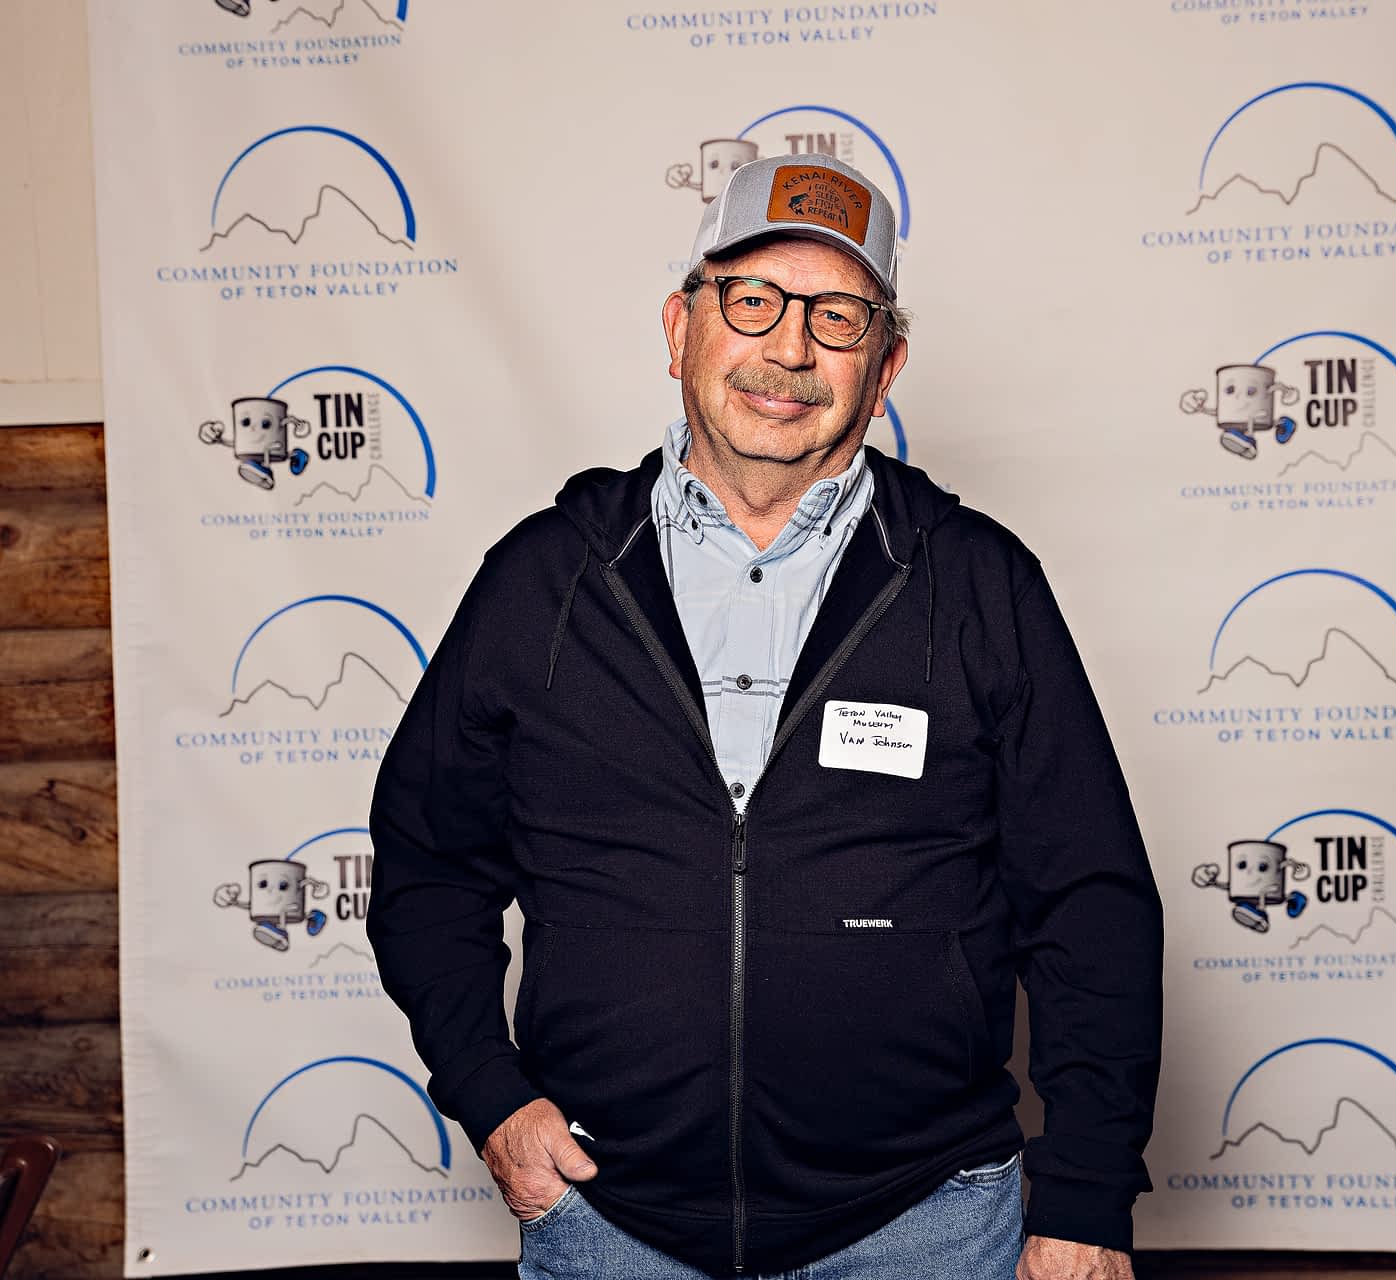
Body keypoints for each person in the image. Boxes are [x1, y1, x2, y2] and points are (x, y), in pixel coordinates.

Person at [369, 153, 1162, 1280]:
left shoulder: (979, 584)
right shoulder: (545, 582)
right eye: (752, 301)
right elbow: (427, 865)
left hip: (922, 1228)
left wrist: (1085, 1197)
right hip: (611, 1227)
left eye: (838, 317)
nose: (790, 349)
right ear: (680, 327)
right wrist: (489, 1093)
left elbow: (1091, 905)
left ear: (885, 367)